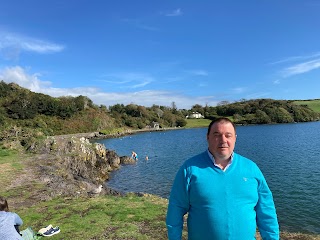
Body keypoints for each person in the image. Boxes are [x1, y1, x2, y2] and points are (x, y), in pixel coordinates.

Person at [166, 118, 279, 240]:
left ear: (235, 138)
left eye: (228, 135)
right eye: (217, 135)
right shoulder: (190, 169)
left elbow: (266, 212)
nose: (223, 140)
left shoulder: (251, 168)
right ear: (207, 137)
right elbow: (175, 210)